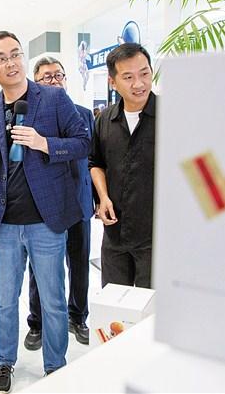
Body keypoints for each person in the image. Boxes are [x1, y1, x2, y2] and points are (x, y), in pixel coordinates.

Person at [0, 31, 89, 392]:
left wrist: (45, 144)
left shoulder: (54, 98)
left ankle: (56, 366)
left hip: (46, 220)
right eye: (1, 58)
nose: (10, 63)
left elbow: (82, 142)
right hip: (4, 224)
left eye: (15, 54)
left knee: (53, 300)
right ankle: (4, 361)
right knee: (4, 300)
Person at [24, 57, 95, 349]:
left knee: (79, 263)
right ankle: (38, 322)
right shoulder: (31, 117)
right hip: (44, 205)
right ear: (36, 83)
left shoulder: (84, 114)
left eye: (59, 75)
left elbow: (92, 157)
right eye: (47, 77)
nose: (54, 81)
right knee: (40, 267)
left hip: (78, 200)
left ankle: (77, 317)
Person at [89, 43, 157, 288]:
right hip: (115, 234)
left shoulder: (172, 116)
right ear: (113, 82)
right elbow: (96, 162)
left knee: (152, 306)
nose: (139, 84)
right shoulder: (105, 119)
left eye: (144, 73)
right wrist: (103, 197)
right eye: (128, 77)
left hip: (156, 237)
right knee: (114, 302)